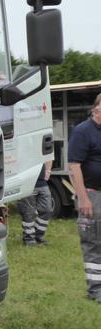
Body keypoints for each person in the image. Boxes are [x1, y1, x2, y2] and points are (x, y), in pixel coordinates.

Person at [67, 93, 101, 303]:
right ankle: (96, 290)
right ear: (96, 109)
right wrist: (83, 198)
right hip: (92, 195)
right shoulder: (83, 131)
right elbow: (74, 166)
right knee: (93, 243)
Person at [19, 162, 52, 246]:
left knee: (47, 210)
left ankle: (38, 236)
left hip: (42, 182)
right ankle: (29, 239)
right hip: (27, 183)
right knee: (29, 212)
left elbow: (49, 157)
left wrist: (48, 170)